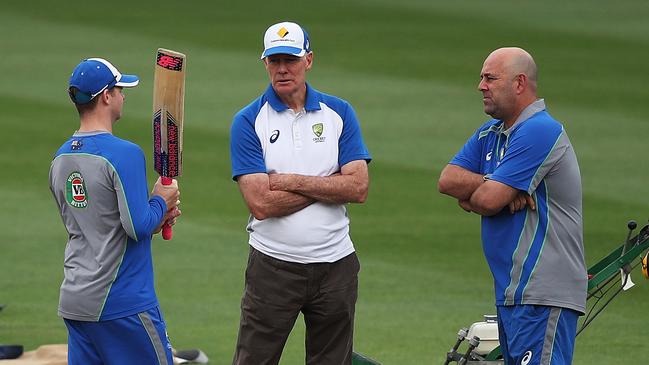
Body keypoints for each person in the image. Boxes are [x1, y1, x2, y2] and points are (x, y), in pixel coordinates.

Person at [229, 21, 371, 365]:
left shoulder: (339, 113)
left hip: (336, 264)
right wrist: (329, 182)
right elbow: (261, 203)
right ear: (265, 63)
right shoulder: (248, 121)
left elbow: (358, 187)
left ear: (308, 60)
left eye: (290, 60)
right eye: (274, 61)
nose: (281, 69)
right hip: (273, 267)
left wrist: (287, 180)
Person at [438, 47, 587, 365]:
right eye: (481, 77)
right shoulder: (491, 132)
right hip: (514, 292)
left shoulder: (539, 130)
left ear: (519, 83)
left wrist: (487, 192)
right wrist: (493, 182)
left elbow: (489, 202)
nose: (481, 85)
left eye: (490, 78)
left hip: (542, 292)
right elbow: (447, 180)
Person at [48, 57, 181, 365]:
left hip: (76, 301)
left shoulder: (60, 158)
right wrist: (161, 199)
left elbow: (94, 222)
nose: (123, 96)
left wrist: (155, 217)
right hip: (122, 302)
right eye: (120, 90)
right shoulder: (125, 154)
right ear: (106, 96)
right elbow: (136, 227)